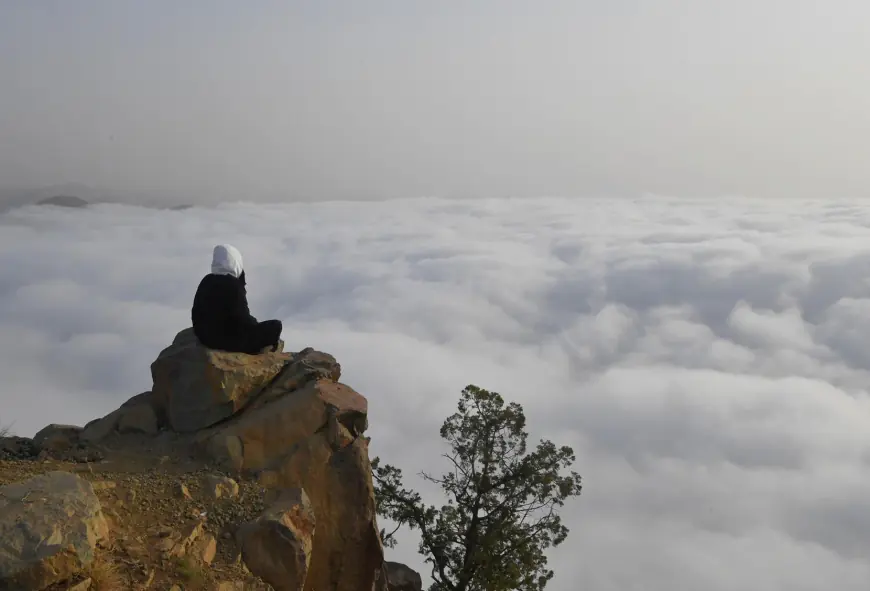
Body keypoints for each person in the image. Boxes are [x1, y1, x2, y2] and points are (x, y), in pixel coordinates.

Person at [191, 244, 283, 354]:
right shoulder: (232, 285)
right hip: (228, 340)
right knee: (275, 326)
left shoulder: (207, 280)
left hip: (205, 336)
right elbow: (242, 319)